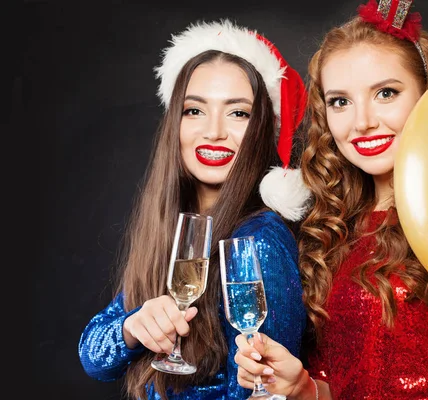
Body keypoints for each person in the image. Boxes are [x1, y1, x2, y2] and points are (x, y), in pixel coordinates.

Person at [233, 1, 428, 399]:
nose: (362, 121)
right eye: (340, 101)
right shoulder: (331, 231)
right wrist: (304, 388)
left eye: (385, 93)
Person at [78, 19, 310, 399]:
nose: (213, 131)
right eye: (194, 111)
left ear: (263, 129)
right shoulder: (170, 231)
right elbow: (92, 356)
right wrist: (133, 328)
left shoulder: (259, 240)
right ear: (176, 124)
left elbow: (264, 390)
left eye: (238, 113)